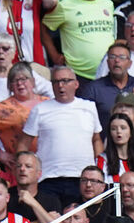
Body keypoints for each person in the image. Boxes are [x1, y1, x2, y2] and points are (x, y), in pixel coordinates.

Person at [17, 65, 102, 206]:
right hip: (48, 179)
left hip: (82, 179)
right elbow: (23, 144)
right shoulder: (39, 109)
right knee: (51, 222)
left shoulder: (89, 107)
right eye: (56, 82)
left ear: (76, 84)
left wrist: (98, 170)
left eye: (65, 81)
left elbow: (97, 140)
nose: (60, 85)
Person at [80, 40, 134, 126]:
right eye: (112, 57)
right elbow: (82, 121)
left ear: (130, 63)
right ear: (107, 62)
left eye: (122, 57)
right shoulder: (93, 88)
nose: (117, 60)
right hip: (105, 138)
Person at [42, 0, 114, 80]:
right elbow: (43, 27)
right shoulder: (63, 5)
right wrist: (54, 55)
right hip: (78, 75)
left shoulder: (108, 4)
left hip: (109, 73)